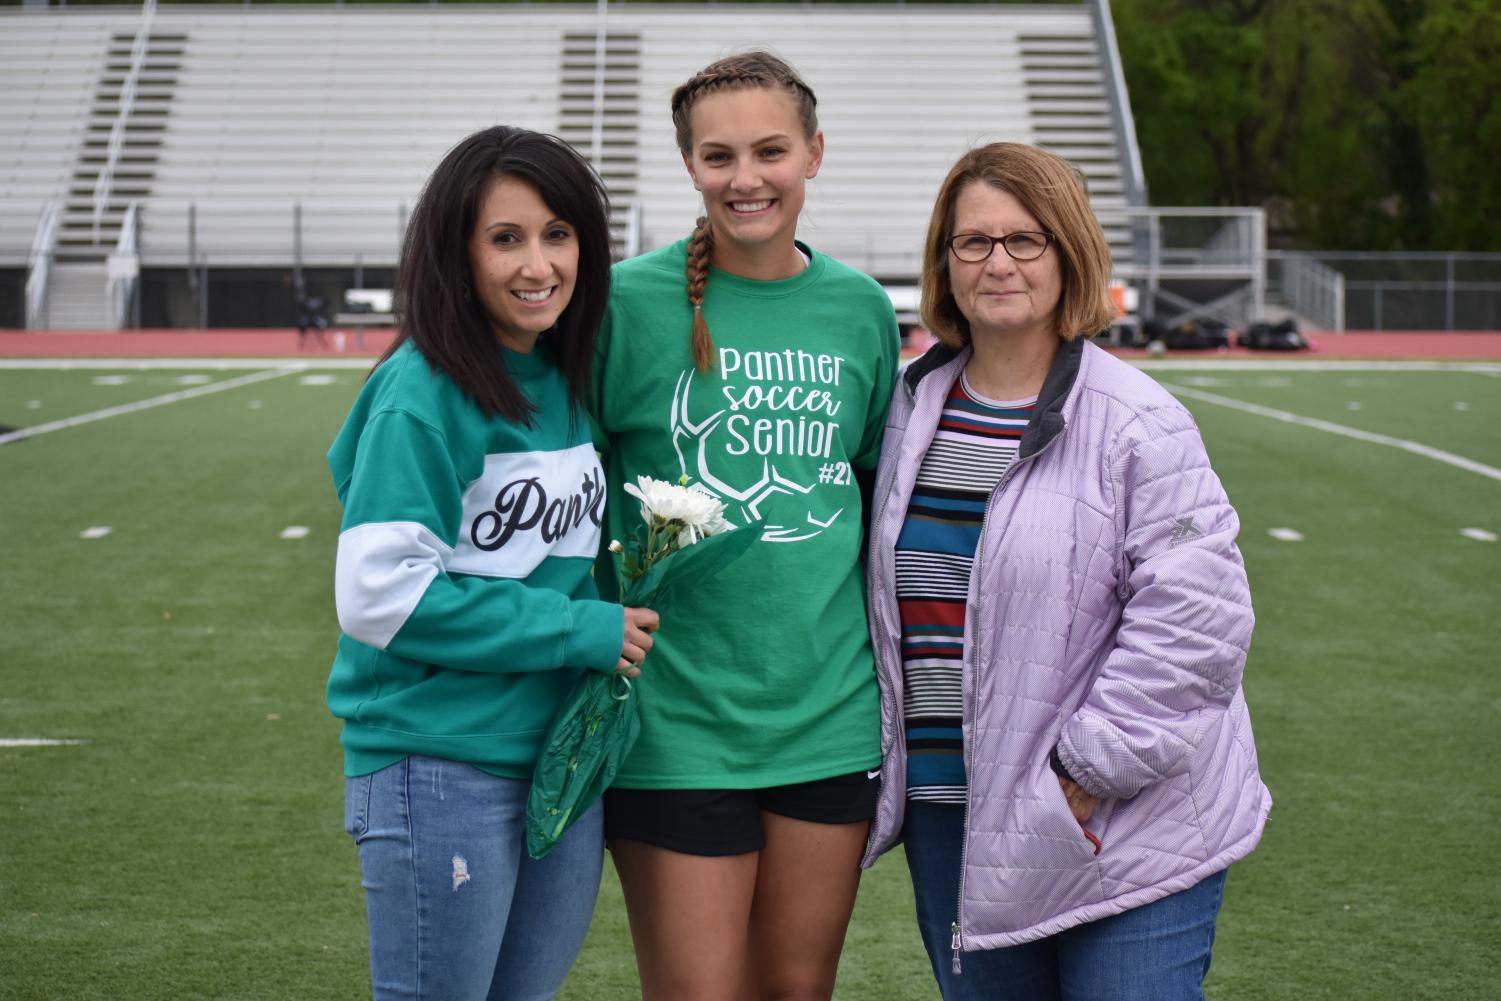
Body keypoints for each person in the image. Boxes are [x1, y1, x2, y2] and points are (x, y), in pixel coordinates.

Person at [863, 142, 1271, 1000]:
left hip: (1119, 815)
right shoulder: (905, 407)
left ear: (1069, 251)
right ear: (944, 260)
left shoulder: (1139, 422)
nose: (997, 262)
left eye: (1026, 239)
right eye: (972, 242)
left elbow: (1196, 621)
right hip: (955, 814)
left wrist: (1083, 777)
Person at [590, 51, 901, 1001]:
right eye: (718, 156)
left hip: (828, 719)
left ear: (814, 153)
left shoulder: (859, 310)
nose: (745, 177)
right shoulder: (624, 303)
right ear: (689, 166)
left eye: (770, 150)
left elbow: (871, 485)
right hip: (675, 723)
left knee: (796, 992)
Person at [325, 125, 659, 1001]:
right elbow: (377, 595)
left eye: (557, 234)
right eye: (504, 238)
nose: (536, 264)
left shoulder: (568, 373)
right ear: (456, 253)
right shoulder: (423, 389)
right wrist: (578, 627)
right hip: (441, 759)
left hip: (557, 758)